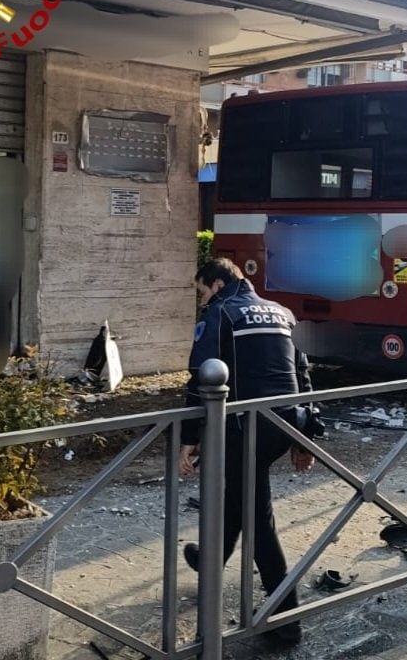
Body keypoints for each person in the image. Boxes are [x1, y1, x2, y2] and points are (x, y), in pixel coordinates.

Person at [178, 258, 314, 646]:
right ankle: (210, 562)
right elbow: (303, 375)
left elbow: (201, 375)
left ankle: (286, 620)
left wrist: (190, 436)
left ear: (217, 284)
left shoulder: (220, 314)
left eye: (202, 291)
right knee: (239, 494)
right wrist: (304, 438)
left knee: (259, 523)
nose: (202, 300)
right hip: (283, 425)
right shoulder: (280, 311)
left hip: (243, 428)